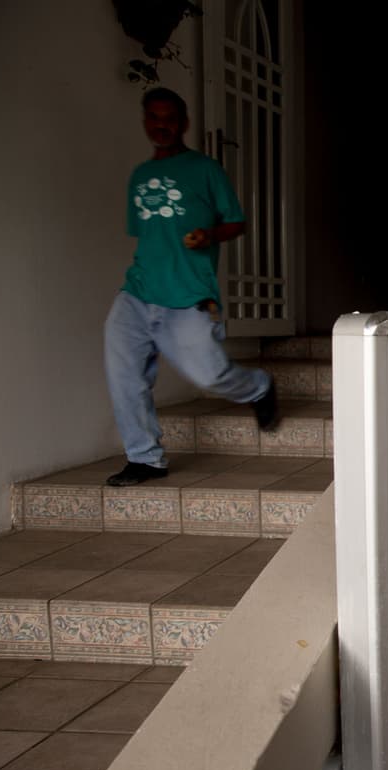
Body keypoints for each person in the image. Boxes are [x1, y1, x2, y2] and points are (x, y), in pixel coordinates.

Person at [104, 87, 278, 488]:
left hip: (187, 295)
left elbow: (237, 222)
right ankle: (144, 459)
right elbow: (146, 235)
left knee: (210, 376)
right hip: (137, 292)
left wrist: (209, 235)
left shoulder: (205, 169)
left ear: (183, 124)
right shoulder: (140, 176)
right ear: (145, 121)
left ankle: (258, 387)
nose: (161, 125)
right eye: (153, 117)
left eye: (169, 118)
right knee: (124, 376)